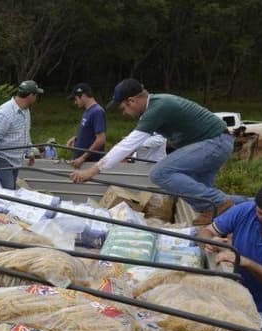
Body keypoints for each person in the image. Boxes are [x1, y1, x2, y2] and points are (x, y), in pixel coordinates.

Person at [70, 78, 235, 225]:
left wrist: (92, 171)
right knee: (203, 197)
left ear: (132, 101)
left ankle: (219, 204)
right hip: (214, 143)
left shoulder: (158, 107)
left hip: (214, 143)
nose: (125, 114)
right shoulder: (157, 105)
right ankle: (244, 206)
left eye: (123, 109)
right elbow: (135, 144)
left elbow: (128, 144)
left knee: (159, 173)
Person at [198, 182, 262, 331]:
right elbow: (206, 232)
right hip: (229, 294)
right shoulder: (245, 210)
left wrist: (245, 262)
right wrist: (210, 241)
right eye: (261, 214)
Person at [0, 80, 43, 190]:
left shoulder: (26, 111)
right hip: (2, 158)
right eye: (36, 95)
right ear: (30, 95)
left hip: (15, 159)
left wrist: (29, 152)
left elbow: (25, 133)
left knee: (11, 190)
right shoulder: (4, 112)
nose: (37, 97)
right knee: (8, 192)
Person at [66, 83, 106, 168]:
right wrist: (76, 139)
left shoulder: (97, 112)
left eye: (76, 98)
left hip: (89, 164)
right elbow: (90, 132)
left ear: (83, 96)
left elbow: (101, 139)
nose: (75, 102)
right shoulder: (88, 111)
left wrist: (82, 158)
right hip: (81, 162)